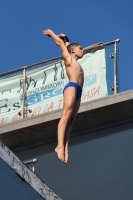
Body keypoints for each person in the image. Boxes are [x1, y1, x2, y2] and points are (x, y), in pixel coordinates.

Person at [43, 29, 84, 163]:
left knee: (71, 121)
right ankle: (59, 146)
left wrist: (66, 37)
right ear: (73, 51)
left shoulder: (74, 58)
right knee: (66, 115)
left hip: (79, 90)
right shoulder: (68, 58)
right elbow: (61, 44)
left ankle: (66, 148)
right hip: (71, 86)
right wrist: (52, 34)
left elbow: (66, 44)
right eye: (80, 48)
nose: (82, 50)